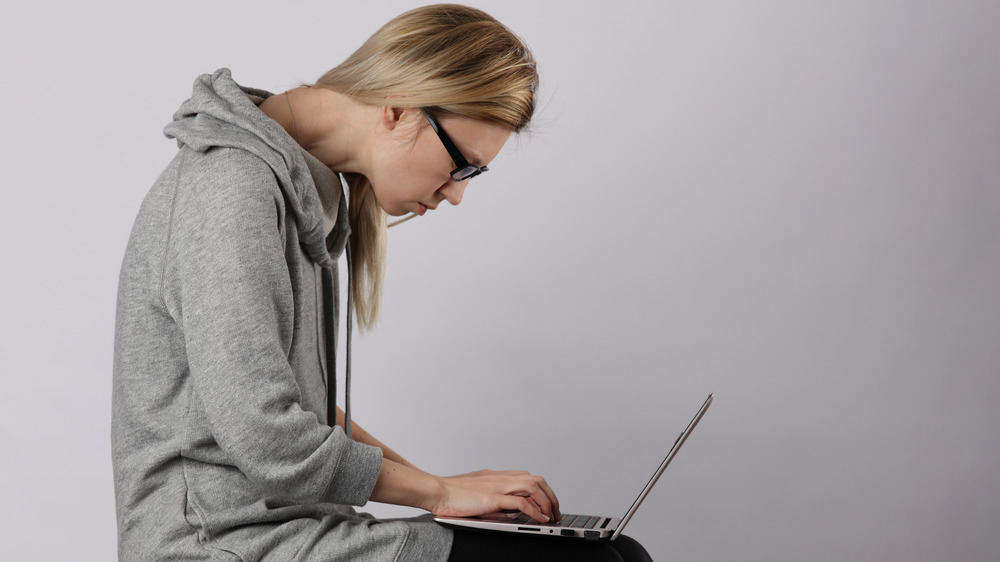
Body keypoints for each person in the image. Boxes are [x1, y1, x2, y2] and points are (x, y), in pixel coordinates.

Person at [111, 4, 652, 561]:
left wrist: (444, 493)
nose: (457, 193)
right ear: (399, 108)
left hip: (293, 528)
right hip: (216, 545)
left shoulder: (296, 189)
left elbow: (299, 406)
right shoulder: (229, 190)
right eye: (462, 165)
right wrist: (440, 490)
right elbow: (271, 442)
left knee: (615, 552)